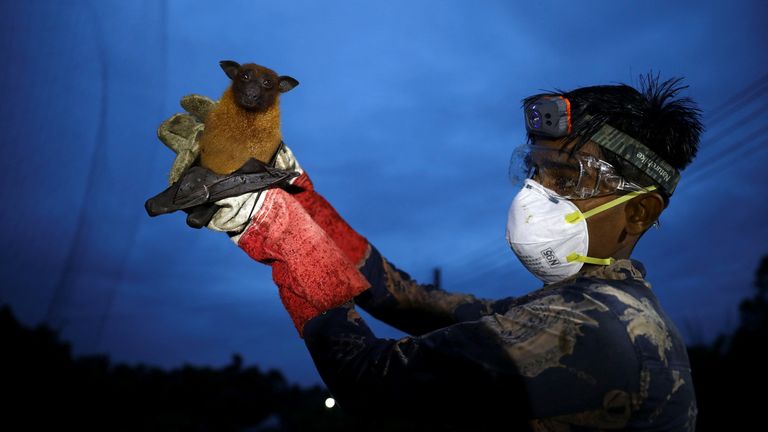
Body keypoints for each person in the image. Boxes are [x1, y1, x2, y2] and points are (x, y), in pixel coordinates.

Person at [154, 73, 702, 431]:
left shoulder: (595, 330)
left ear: (639, 212)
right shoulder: (591, 307)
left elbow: (374, 384)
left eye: (568, 177)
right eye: (537, 170)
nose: (538, 193)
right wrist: (295, 189)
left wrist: (272, 227)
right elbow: (404, 299)